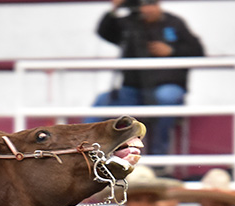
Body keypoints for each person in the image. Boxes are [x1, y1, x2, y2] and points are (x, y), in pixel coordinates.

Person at [86, 0, 204, 156]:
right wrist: (115, 9)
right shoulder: (130, 23)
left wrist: (171, 50)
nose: (147, 9)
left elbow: (198, 51)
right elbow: (105, 32)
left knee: (167, 99)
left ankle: (159, 157)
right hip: (133, 89)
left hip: (166, 85)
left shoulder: (174, 23)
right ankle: (86, 150)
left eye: (151, 3)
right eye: (142, 4)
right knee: (103, 101)